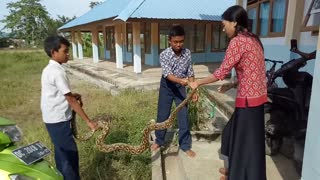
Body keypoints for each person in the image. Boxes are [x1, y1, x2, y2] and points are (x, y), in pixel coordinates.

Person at [189, 5, 267, 180]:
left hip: (248, 101)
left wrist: (198, 83)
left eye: (225, 25)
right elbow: (252, 71)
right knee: (235, 136)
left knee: (244, 144)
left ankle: (238, 175)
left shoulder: (237, 41)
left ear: (235, 22)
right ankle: (234, 170)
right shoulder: (254, 39)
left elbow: (220, 72)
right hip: (257, 98)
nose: (223, 29)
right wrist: (232, 85)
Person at [41, 36, 97, 180]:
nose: (68, 54)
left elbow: (61, 93)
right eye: (65, 51)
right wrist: (89, 122)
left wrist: (72, 95)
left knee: (61, 154)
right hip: (58, 120)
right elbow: (71, 100)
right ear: (54, 52)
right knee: (69, 157)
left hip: (51, 118)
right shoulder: (57, 72)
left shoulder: (49, 69)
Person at [150, 25, 198, 157]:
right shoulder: (164, 55)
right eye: (175, 42)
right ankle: (159, 140)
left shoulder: (187, 53)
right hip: (167, 86)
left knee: (183, 116)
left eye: (181, 41)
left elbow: (190, 72)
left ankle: (185, 145)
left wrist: (194, 90)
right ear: (169, 40)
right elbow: (168, 74)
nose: (178, 44)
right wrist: (181, 81)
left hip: (181, 88)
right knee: (163, 115)